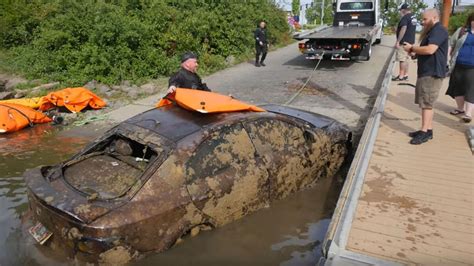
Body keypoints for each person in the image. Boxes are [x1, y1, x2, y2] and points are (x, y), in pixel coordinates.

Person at [402, 9, 449, 145]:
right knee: (427, 103)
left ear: (434, 18)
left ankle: (424, 132)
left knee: (427, 104)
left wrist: (412, 48)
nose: (422, 23)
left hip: (432, 72)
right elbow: (428, 51)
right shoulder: (433, 30)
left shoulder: (439, 30)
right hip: (427, 71)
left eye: (425, 19)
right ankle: (428, 130)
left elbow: (430, 49)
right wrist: (414, 53)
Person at [446, 12, 474, 123]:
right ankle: (460, 108)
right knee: (457, 87)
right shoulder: (462, 31)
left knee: (471, 89)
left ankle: (468, 114)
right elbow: (451, 44)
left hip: (472, 67)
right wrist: (447, 57)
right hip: (458, 64)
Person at [392, 3, 417, 81]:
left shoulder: (405, 18)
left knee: (402, 59)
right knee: (406, 59)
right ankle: (406, 75)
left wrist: (398, 41)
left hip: (404, 42)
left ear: (403, 10)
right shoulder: (413, 17)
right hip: (410, 42)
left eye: (401, 10)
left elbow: (404, 28)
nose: (400, 12)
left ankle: (401, 76)